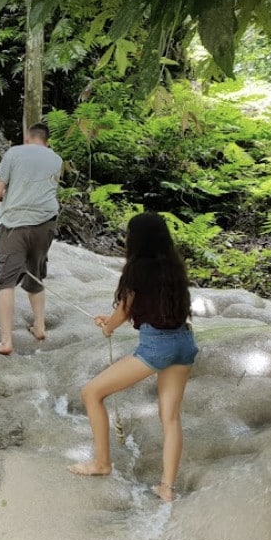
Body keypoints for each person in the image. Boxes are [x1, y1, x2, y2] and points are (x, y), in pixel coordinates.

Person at [68, 212, 199, 503]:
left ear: (136, 238)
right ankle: (166, 487)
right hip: (184, 343)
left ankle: (101, 463)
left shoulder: (137, 269)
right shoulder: (174, 268)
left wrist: (109, 326)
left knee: (91, 393)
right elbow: (153, 309)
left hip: (156, 348)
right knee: (171, 417)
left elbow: (126, 309)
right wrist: (112, 318)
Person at [0, 123, 62, 355]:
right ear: (46, 141)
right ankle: (39, 327)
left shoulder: (14, 152)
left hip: (16, 223)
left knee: (6, 280)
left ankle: (6, 341)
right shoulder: (56, 159)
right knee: (36, 272)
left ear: (27, 138)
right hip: (46, 223)